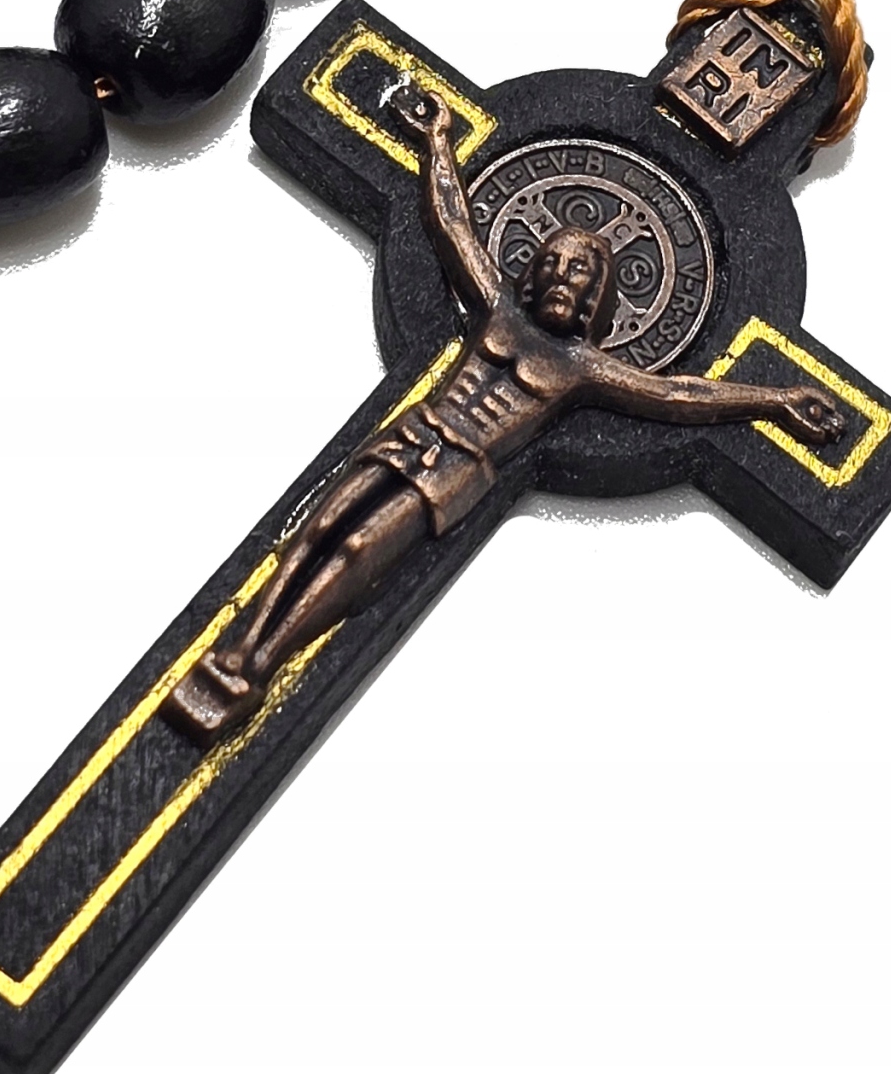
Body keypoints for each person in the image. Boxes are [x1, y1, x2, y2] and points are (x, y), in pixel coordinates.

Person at [165, 88, 845, 745]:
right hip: (415, 431)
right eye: (554, 264)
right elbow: (453, 222)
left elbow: (678, 395)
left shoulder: (583, 367)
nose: (562, 278)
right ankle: (237, 648)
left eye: (580, 274)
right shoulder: (498, 309)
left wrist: (775, 400)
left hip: (460, 468)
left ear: (598, 297)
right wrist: (438, 142)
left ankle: (263, 665)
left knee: (359, 551)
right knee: (317, 529)